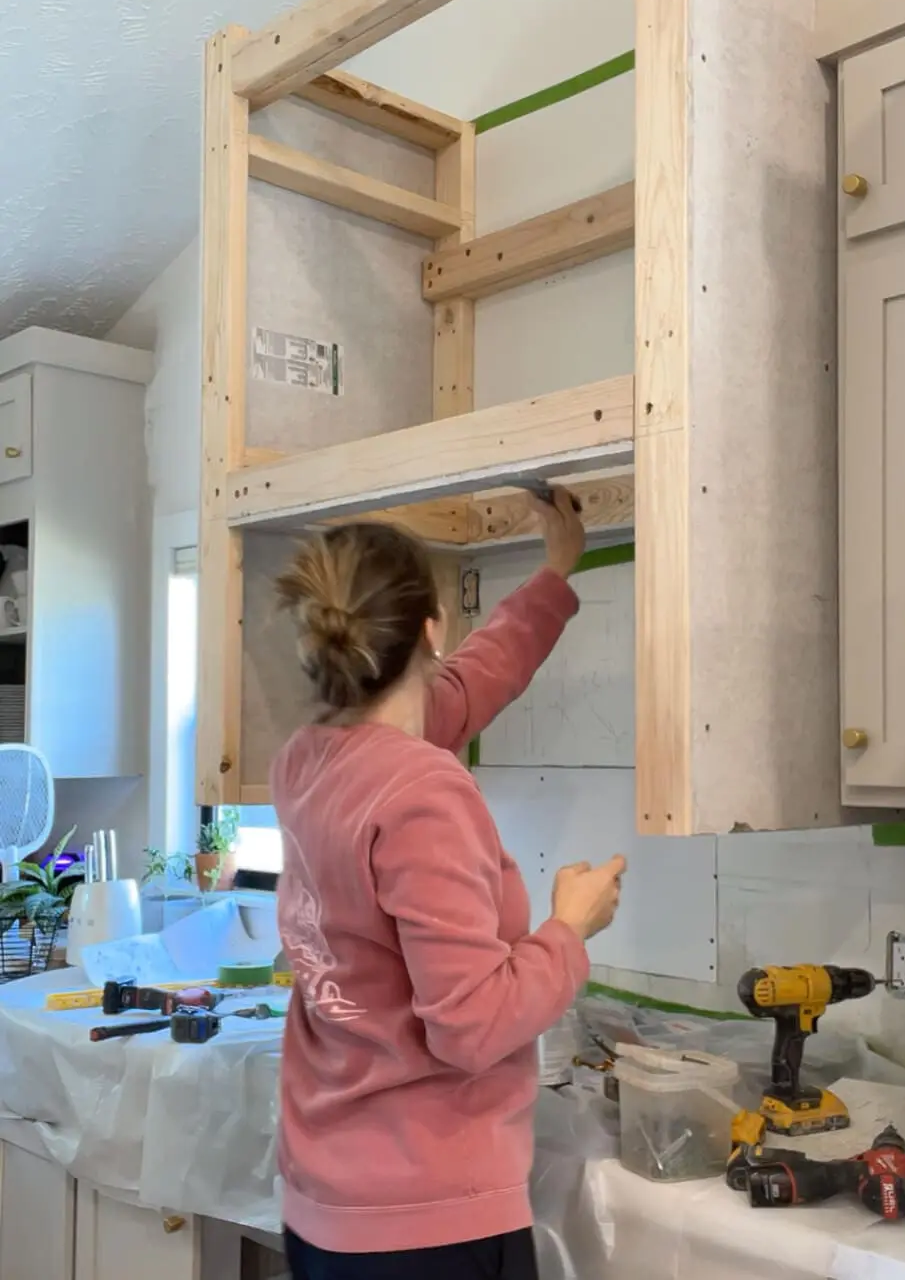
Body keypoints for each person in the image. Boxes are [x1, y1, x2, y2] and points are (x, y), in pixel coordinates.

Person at [271, 487, 626, 1280]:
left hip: (329, 1201)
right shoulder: (423, 791)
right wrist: (568, 930)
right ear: (431, 625)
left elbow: (465, 686)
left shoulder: (308, 759)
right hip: (425, 1224)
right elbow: (469, 1026)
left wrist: (554, 575)